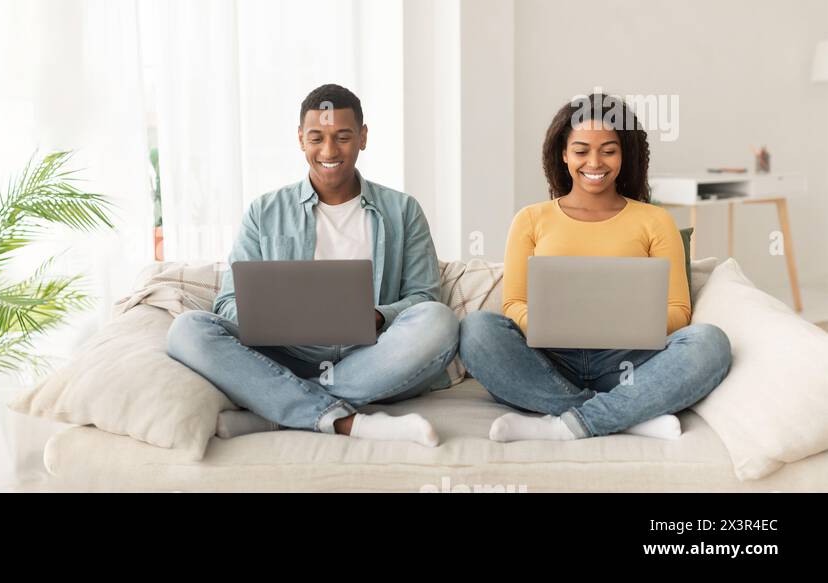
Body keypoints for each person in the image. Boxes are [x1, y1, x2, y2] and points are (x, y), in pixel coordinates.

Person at [166, 84, 457, 445]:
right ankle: (340, 419)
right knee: (187, 330)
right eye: (317, 137)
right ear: (301, 139)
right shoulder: (264, 212)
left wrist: (378, 316)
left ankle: (280, 408)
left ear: (363, 138)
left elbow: (423, 297)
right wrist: (275, 319)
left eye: (343, 137)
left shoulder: (402, 210)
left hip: (371, 356)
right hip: (287, 355)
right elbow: (227, 304)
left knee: (440, 321)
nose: (329, 151)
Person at [458, 93, 732, 442]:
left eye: (608, 150)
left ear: (623, 154)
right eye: (581, 150)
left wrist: (622, 325)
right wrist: (553, 325)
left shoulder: (655, 220)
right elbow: (513, 305)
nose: (595, 161)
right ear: (563, 154)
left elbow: (678, 311)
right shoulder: (530, 219)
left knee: (710, 342)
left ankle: (568, 424)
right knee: (477, 329)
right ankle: (627, 415)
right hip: (549, 362)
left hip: (630, 361)